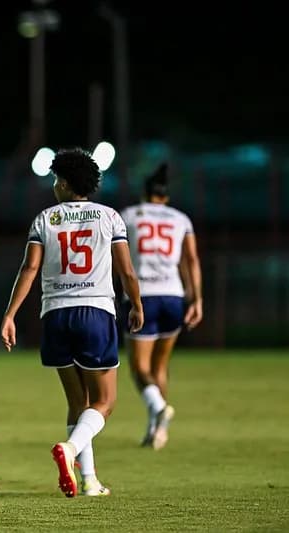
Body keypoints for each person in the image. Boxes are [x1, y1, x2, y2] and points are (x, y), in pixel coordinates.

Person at [0, 147, 144, 498]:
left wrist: (9, 314)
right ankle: (70, 449)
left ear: (64, 184)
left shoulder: (44, 219)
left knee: (77, 401)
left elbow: (29, 269)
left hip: (55, 316)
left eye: (55, 179)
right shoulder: (109, 217)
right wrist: (136, 304)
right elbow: (125, 269)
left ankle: (89, 481)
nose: (53, 185)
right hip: (95, 312)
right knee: (105, 402)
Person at [120, 163, 203, 449]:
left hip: (143, 296)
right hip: (173, 295)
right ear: (166, 196)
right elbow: (191, 260)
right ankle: (158, 430)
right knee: (160, 368)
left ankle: (158, 409)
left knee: (139, 369)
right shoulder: (181, 219)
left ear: (145, 192)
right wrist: (197, 299)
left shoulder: (129, 215)